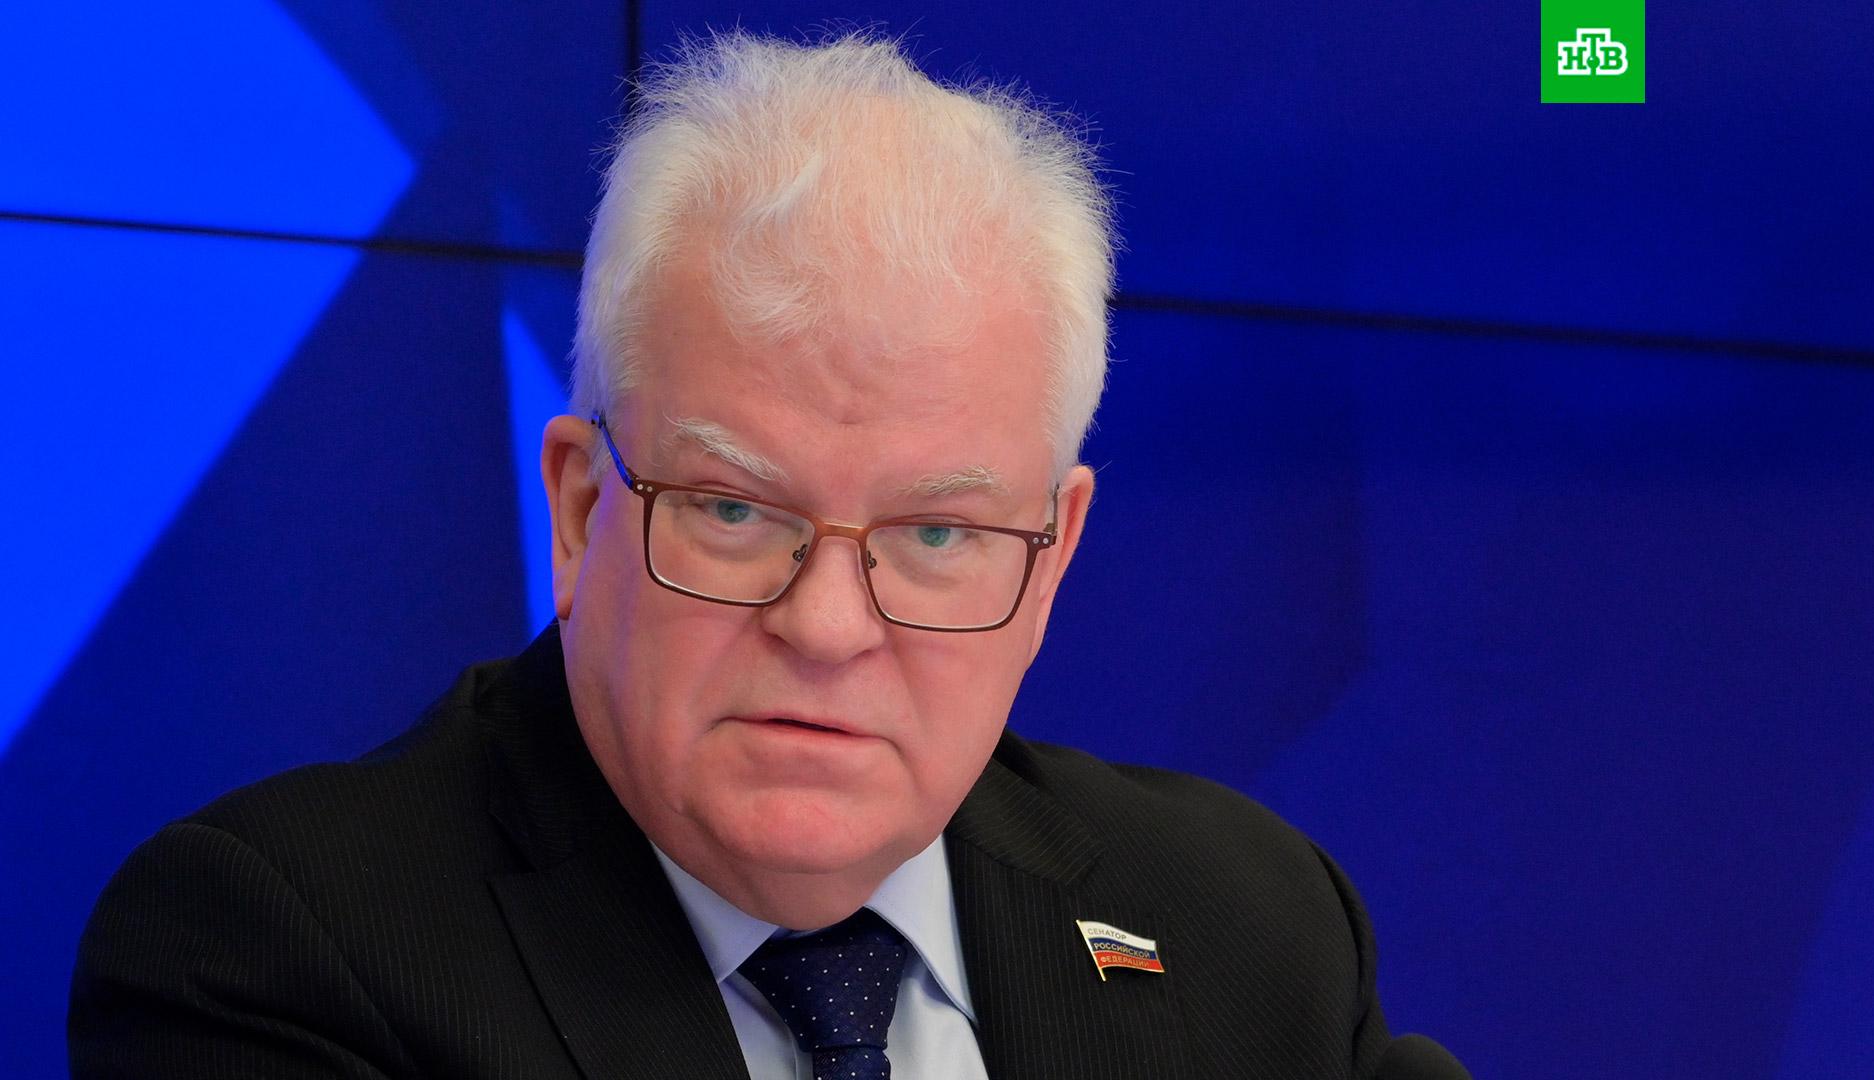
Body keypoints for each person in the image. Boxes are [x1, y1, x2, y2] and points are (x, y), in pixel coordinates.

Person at [72, 32, 1462, 1080]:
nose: (831, 626)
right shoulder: (276, 953)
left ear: (1050, 562)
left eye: (936, 534)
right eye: (736, 512)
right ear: (582, 511)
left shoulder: (1248, 929)